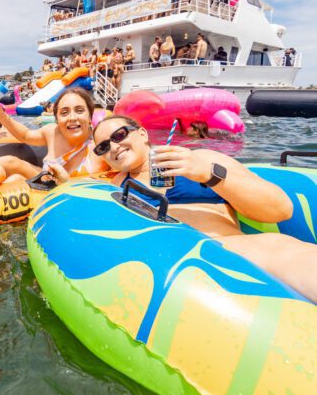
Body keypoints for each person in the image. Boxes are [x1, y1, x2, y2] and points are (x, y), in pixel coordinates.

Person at [91, 115, 317, 301]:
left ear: (142, 133)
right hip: (168, 272)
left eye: (119, 135)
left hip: (232, 250)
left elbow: (281, 209)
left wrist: (208, 175)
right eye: (103, 147)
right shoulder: (114, 187)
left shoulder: (203, 159)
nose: (113, 146)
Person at [0, 88, 106, 180]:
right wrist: (1, 116)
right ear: (57, 119)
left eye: (79, 111)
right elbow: (25, 135)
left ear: (90, 116)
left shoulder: (101, 144)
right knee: (11, 164)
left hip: (79, 201)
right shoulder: (52, 132)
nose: (72, 117)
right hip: (45, 187)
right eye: (64, 112)